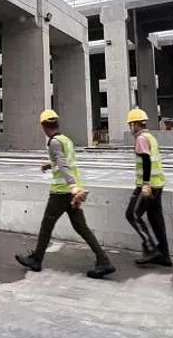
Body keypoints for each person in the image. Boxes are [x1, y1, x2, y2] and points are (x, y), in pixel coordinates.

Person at [15, 109, 116, 279]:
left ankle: (36, 260)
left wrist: (72, 186)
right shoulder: (65, 140)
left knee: (47, 225)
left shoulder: (54, 142)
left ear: (43, 126)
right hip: (71, 192)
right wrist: (49, 165)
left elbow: (62, 164)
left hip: (62, 192)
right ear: (57, 123)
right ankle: (104, 260)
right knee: (81, 227)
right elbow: (63, 161)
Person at [124, 108, 172, 267]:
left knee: (132, 214)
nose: (131, 128)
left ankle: (151, 248)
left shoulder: (141, 139)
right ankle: (164, 254)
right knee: (156, 219)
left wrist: (145, 184)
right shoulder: (150, 137)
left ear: (135, 124)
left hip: (148, 186)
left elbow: (145, 160)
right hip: (157, 184)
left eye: (131, 125)